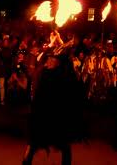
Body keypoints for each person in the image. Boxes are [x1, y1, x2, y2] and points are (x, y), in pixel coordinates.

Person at [22, 32, 85, 165]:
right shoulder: (44, 73)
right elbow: (39, 93)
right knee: (33, 143)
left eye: (52, 59)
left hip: (59, 117)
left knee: (64, 144)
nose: (48, 61)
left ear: (59, 62)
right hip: (43, 115)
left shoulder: (66, 77)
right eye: (49, 59)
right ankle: (26, 162)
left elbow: (73, 98)